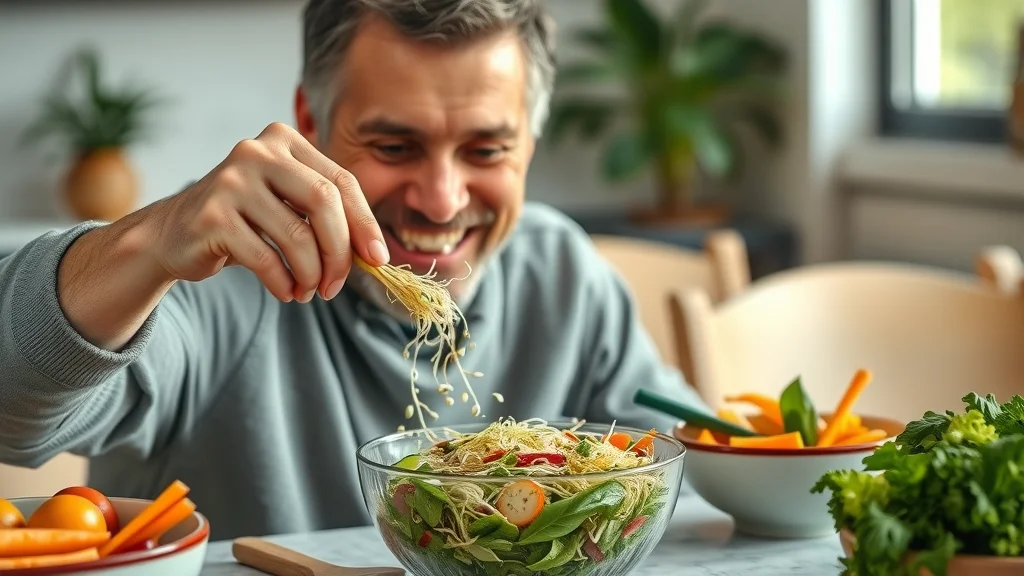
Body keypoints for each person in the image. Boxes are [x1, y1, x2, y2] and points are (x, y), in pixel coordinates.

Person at [0, 0, 710, 541]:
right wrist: (150, 240)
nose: (443, 199)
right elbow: (16, 418)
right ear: (310, 121)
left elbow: (689, 467)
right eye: (395, 145)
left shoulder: (561, 271)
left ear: (530, 138)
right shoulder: (215, 274)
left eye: (486, 150)